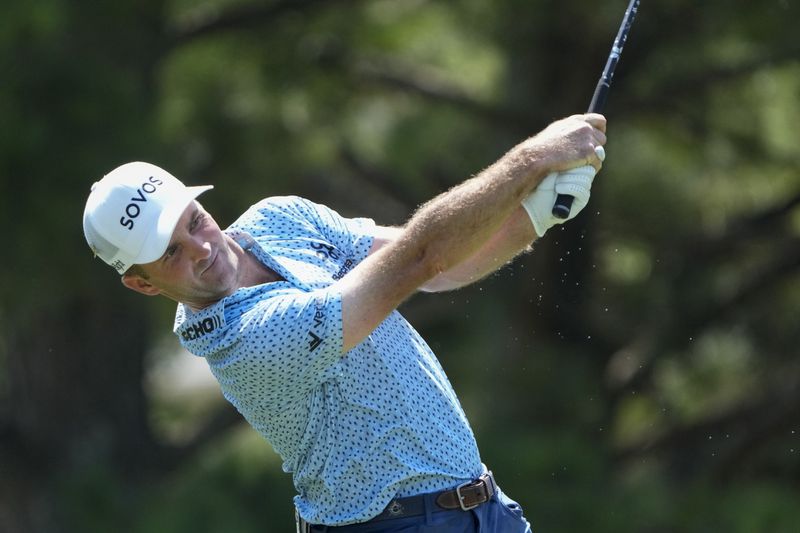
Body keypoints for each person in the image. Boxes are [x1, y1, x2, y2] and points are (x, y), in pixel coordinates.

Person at [82, 113, 607, 532]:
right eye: (171, 252)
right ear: (142, 282)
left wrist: (534, 217)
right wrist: (532, 159)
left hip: (483, 509)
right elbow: (422, 258)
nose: (201, 247)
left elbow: (444, 268)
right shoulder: (244, 343)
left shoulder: (277, 219)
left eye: (195, 219)